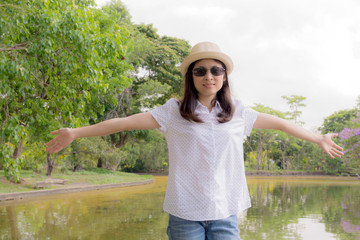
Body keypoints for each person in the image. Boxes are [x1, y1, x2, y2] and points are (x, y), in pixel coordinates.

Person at [46, 42, 344, 240]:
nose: (209, 76)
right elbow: (122, 123)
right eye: (200, 71)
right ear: (191, 76)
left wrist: (318, 137)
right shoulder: (173, 112)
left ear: (224, 76)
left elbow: (281, 123)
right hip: (185, 213)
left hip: (224, 212)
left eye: (216, 70)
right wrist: (76, 132)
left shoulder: (238, 112)